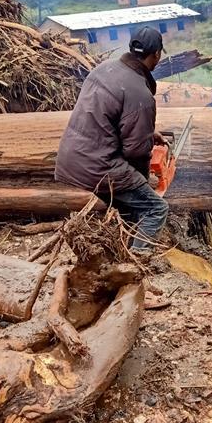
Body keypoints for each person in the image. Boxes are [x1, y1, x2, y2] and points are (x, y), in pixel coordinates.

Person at [55, 26, 169, 253]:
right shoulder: (140, 93)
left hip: (71, 161)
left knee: (130, 209)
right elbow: (136, 151)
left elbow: (105, 119)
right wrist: (142, 180)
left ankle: (119, 253)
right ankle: (138, 260)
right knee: (155, 209)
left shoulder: (104, 69)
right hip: (99, 167)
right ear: (157, 54)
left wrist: (148, 132)